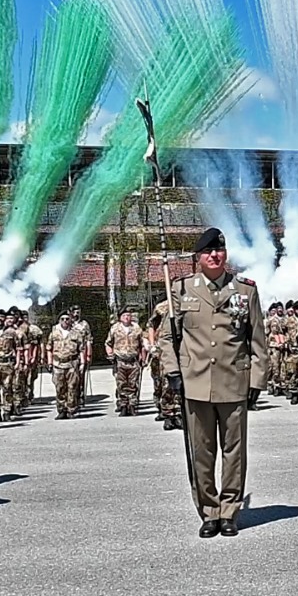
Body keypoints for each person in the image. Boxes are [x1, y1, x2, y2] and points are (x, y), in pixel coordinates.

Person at [158, 227, 265, 538]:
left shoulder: (245, 291)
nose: (214, 256)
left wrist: (257, 380)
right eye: (207, 252)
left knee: (235, 451)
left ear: (225, 254)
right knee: (201, 452)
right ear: (198, 257)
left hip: (234, 382)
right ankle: (209, 512)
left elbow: (257, 339)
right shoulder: (180, 290)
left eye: (219, 251)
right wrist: (173, 372)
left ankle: (230, 511)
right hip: (195, 384)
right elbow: (167, 337)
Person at [151, 296, 183, 431]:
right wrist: (152, 344)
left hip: (183, 348)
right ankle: (168, 414)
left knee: (181, 384)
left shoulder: (188, 303)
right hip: (165, 350)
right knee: (166, 382)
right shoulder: (161, 307)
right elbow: (152, 326)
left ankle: (179, 413)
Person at [47, 311, 87, 419]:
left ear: (70, 320)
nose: (65, 321)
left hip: (72, 363)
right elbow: (49, 349)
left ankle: (71, 410)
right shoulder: (54, 333)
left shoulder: (76, 333)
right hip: (58, 363)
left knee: (72, 387)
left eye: (67, 319)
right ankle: (61, 409)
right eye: (62, 319)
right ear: (59, 321)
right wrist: (49, 362)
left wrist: (83, 363)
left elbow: (82, 349)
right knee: (60, 387)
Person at [106, 307, 144, 416]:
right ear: (120, 318)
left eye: (128, 315)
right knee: (121, 384)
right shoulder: (115, 328)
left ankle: (132, 405)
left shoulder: (136, 328)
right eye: (124, 316)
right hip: (120, 360)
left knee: (133, 383)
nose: (127, 317)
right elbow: (108, 343)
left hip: (133, 360)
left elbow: (141, 344)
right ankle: (123, 405)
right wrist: (110, 354)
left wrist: (143, 358)